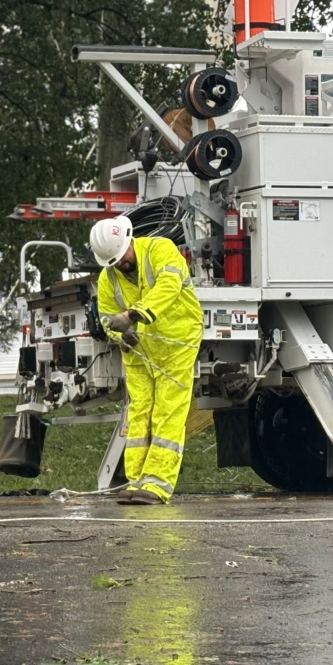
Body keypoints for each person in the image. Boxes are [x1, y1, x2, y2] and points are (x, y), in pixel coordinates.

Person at [90, 216, 203, 505]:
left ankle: (158, 485)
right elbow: (105, 317)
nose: (120, 264)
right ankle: (136, 481)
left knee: (168, 410)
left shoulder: (161, 249)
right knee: (139, 413)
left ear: (130, 241)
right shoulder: (108, 278)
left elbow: (169, 285)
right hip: (139, 349)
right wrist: (119, 337)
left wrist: (132, 315)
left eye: (121, 256)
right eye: (112, 262)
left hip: (176, 341)